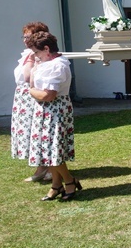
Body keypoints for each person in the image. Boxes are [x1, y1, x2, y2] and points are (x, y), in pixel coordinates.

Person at [26, 32, 81, 201]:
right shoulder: (47, 64)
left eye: (37, 52)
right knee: (47, 149)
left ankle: (70, 181)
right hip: (46, 110)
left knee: (53, 149)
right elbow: (33, 82)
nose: (36, 56)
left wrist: (30, 91)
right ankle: (56, 185)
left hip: (55, 110)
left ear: (47, 49)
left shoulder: (57, 65)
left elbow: (48, 95)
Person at [12, 22, 51, 182]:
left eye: (28, 36)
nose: (25, 40)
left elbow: (28, 77)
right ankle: (43, 168)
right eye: (24, 36)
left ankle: (45, 169)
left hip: (32, 95)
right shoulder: (27, 54)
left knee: (37, 132)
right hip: (23, 96)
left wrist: (31, 60)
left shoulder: (36, 54)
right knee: (30, 132)